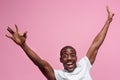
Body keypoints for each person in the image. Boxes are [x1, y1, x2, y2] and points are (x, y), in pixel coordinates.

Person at [6, 6, 114, 80]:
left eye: (72, 55)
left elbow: (96, 45)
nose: (69, 58)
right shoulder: (58, 76)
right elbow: (41, 64)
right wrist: (23, 45)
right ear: (61, 60)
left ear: (76, 58)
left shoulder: (84, 65)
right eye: (65, 56)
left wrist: (108, 21)